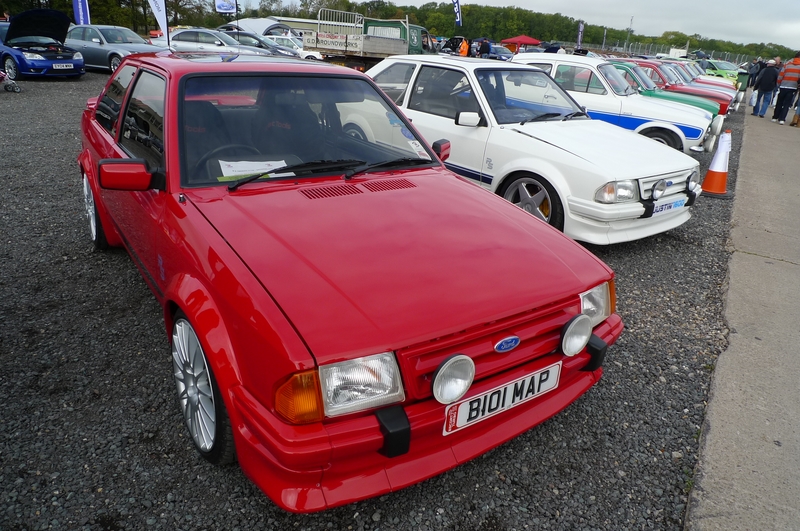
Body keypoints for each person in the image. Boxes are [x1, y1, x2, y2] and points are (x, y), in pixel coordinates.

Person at [771, 51, 800, 124]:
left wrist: (778, 83)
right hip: (793, 86)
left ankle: (775, 117)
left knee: (779, 102)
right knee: (787, 104)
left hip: (783, 85)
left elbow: (781, 75)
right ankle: (782, 119)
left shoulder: (787, 64)